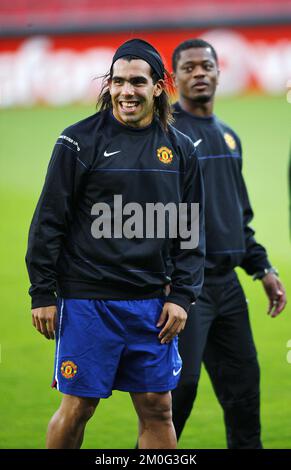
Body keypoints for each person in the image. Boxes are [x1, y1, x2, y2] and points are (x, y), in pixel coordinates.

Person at [25, 38, 205, 449]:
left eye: (137, 82)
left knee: (158, 407)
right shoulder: (77, 141)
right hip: (90, 301)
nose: (126, 91)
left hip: (152, 305)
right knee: (79, 408)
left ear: (158, 87)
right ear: (108, 85)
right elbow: (48, 221)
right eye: (118, 81)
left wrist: (182, 296)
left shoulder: (180, 150)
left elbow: (191, 231)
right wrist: (42, 292)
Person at [170, 38, 287, 449]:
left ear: (219, 73)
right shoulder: (163, 135)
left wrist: (263, 268)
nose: (199, 73)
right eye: (189, 67)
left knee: (244, 397)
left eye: (207, 66)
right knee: (175, 399)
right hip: (184, 289)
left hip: (228, 289)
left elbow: (239, 217)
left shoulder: (229, 137)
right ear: (175, 78)